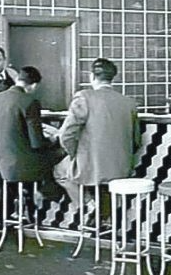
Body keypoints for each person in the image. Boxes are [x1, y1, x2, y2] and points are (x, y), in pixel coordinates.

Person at [54, 58, 141, 221]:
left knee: (59, 172)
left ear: (91, 76)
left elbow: (65, 135)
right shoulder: (129, 103)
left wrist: (73, 154)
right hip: (122, 167)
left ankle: (89, 206)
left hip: (92, 165)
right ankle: (103, 215)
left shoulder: (84, 97)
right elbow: (136, 140)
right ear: (112, 78)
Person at [0, 66, 64, 219]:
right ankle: (49, 198)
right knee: (60, 154)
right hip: (25, 165)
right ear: (34, 85)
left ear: (18, 79)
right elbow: (37, 143)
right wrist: (53, 140)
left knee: (24, 163)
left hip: (0, 161)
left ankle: (14, 207)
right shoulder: (30, 101)